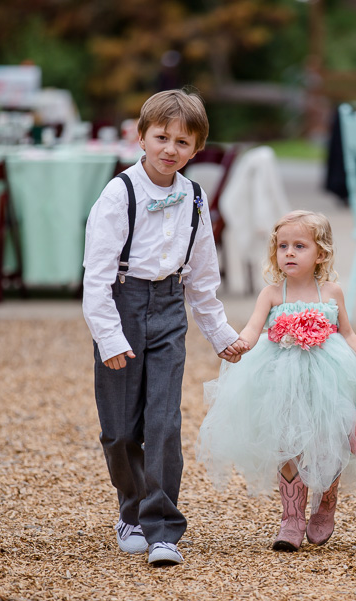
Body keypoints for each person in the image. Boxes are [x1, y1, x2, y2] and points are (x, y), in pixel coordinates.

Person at [82, 89, 246, 567]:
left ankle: (162, 527)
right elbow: (95, 275)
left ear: (195, 149)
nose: (170, 149)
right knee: (118, 430)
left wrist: (220, 334)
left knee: (164, 422)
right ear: (141, 137)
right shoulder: (120, 193)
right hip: (123, 305)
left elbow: (201, 276)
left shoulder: (193, 197)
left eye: (182, 141)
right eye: (162, 137)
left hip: (169, 309)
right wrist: (109, 336)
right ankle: (129, 511)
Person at [197, 210, 356, 551]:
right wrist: (238, 345)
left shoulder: (331, 292)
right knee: (287, 443)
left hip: (329, 378)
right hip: (281, 379)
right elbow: (253, 330)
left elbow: (348, 333)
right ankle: (291, 518)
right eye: (283, 246)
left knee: (331, 441)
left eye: (300, 246)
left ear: (321, 253)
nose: (290, 253)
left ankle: (325, 505)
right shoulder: (271, 294)